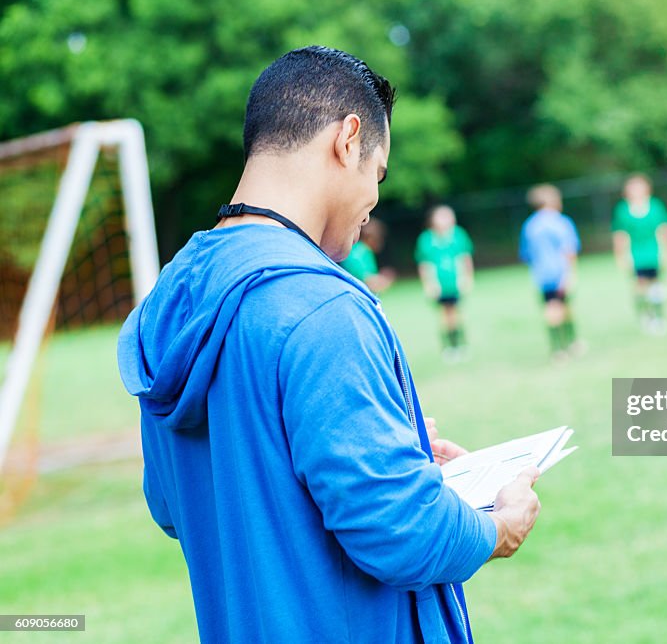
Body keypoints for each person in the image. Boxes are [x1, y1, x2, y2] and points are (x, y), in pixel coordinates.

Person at [117, 46, 540, 644]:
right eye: (379, 173)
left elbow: (173, 501)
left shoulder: (174, 295)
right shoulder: (322, 307)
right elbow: (402, 529)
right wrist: (497, 525)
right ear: (348, 139)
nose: (373, 200)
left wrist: (389, 450)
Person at [519, 184, 584, 359]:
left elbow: (526, 255)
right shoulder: (561, 222)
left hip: (541, 276)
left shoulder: (529, 226)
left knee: (550, 309)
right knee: (565, 308)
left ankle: (558, 349)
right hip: (560, 273)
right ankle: (571, 343)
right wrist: (570, 274)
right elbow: (569, 250)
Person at [611, 173, 667, 335]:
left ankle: (659, 317)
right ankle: (646, 315)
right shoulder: (623, 210)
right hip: (635, 255)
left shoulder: (655, 206)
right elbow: (620, 235)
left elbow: (664, 230)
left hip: (654, 253)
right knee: (639, 288)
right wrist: (620, 256)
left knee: (656, 287)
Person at [415, 205, 474, 362]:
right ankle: (449, 347)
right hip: (439, 284)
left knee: (457, 314)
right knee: (444, 316)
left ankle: (461, 344)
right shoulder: (426, 239)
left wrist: (467, 278)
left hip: (455, 282)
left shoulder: (458, 235)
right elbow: (425, 264)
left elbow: (465, 258)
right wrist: (429, 284)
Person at [340, 217, 395, 293]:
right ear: (370, 237)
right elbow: (368, 281)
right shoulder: (360, 253)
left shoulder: (360, 250)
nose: (382, 242)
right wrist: (384, 279)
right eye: (380, 238)